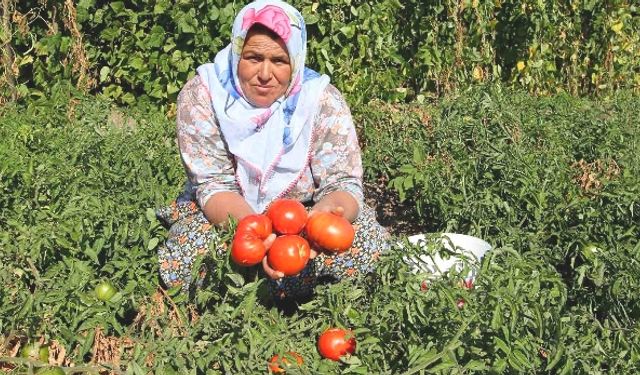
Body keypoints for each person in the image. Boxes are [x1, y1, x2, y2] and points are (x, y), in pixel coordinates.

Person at [156, 0, 390, 300]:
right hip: (228, 216)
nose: (265, 74)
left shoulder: (319, 100)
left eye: (279, 61)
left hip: (302, 217)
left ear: (296, 59)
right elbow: (213, 186)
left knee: (367, 246)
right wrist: (258, 234)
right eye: (253, 57)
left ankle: (256, 290)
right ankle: (295, 289)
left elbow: (343, 181)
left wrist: (324, 217)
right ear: (237, 52)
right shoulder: (203, 95)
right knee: (192, 259)